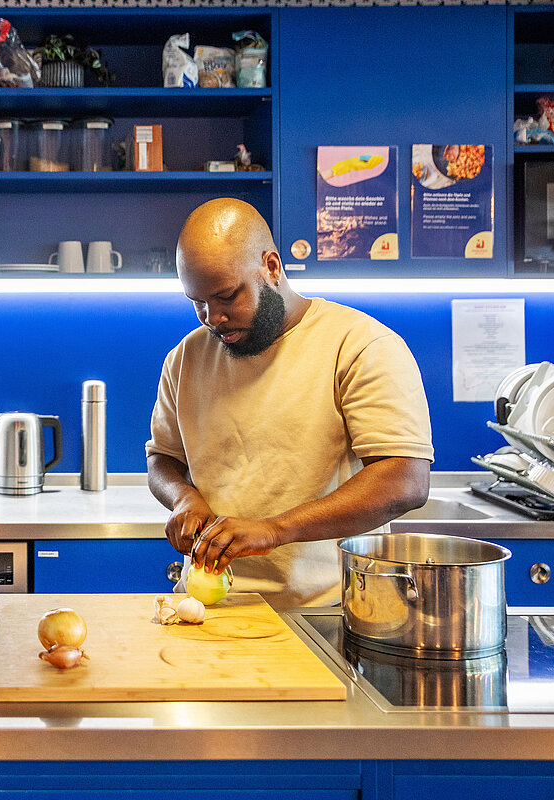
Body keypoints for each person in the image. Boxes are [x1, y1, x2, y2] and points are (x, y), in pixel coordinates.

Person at [146, 198, 433, 609]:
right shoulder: (185, 359)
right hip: (208, 609)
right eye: (198, 302)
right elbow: (162, 460)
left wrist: (275, 530)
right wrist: (183, 498)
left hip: (329, 613)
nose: (213, 318)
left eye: (227, 296)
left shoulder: (359, 346)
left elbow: (405, 481)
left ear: (272, 267)